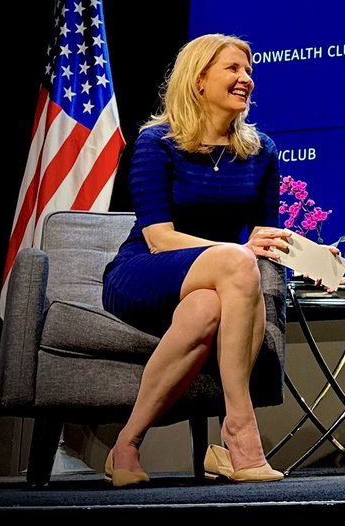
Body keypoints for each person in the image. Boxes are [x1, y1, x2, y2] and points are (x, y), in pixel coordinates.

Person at [101, 34, 304, 486]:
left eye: (248, 71)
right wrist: (233, 253)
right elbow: (158, 236)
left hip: (219, 283)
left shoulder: (260, 151)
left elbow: (262, 236)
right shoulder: (158, 142)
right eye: (233, 69)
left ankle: (127, 444)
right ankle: (238, 427)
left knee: (208, 306)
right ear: (199, 80)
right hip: (146, 272)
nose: (245, 79)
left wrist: (312, 256)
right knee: (235, 262)